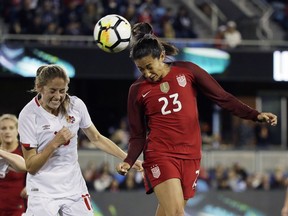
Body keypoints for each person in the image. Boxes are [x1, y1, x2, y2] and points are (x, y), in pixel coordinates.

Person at [116, 22, 278, 216]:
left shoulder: (187, 71)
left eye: (149, 67)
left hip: (191, 154)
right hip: (160, 154)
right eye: (141, 70)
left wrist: (255, 115)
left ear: (161, 56)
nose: (147, 74)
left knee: (169, 212)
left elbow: (223, 98)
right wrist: (128, 160)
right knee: (176, 212)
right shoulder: (136, 90)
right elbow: (137, 135)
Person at [18, 65, 143, 216]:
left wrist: (128, 158)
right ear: (39, 87)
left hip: (73, 187)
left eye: (62, 91)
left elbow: (96, 138)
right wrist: (54, 144)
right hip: (43, 190)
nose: (57, 96)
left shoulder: (75, 105)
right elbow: (31, 166)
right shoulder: (28, 115)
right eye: (52, 91)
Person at [0, 114, 27, 216]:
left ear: (17, 130)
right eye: (3, 128)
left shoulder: (25, 151)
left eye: (11, 128)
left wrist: (31, 185)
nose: (7, 131)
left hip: (19, 208)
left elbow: (39, 173)